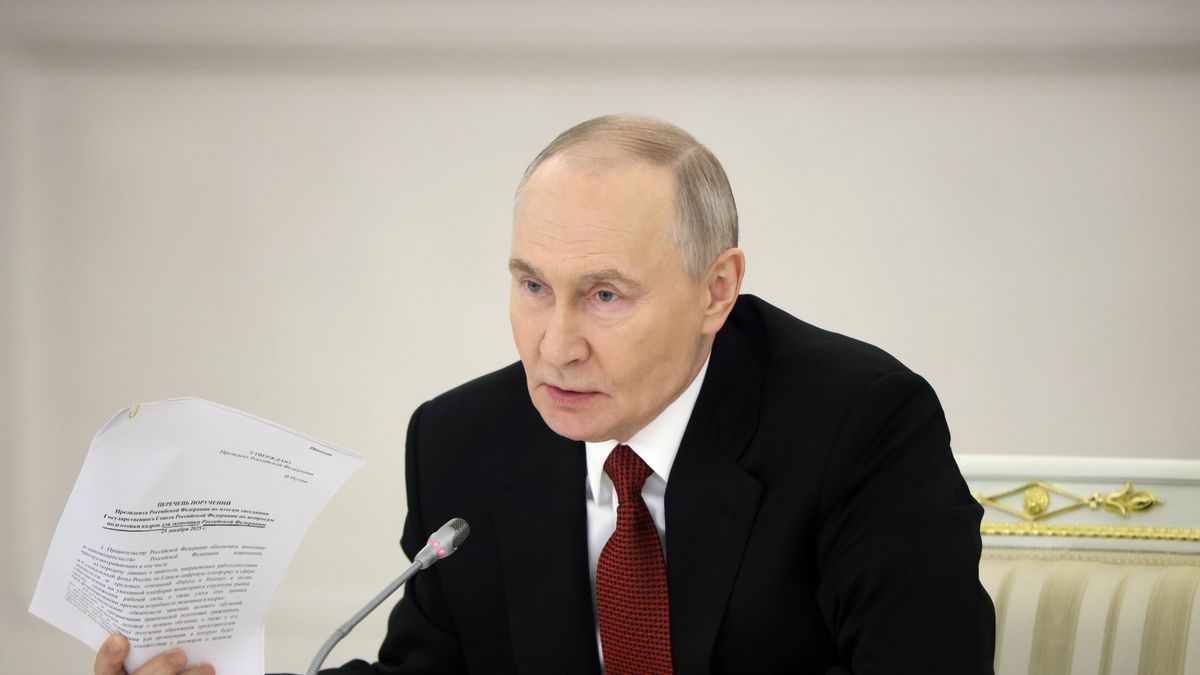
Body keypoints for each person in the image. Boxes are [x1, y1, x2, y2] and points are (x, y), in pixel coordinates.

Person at [95, 115, 995, 675]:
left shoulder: (860, 423)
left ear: (716, 289)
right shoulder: (466, 442)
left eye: (605, 295)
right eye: (532, 287)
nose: (555, 346)